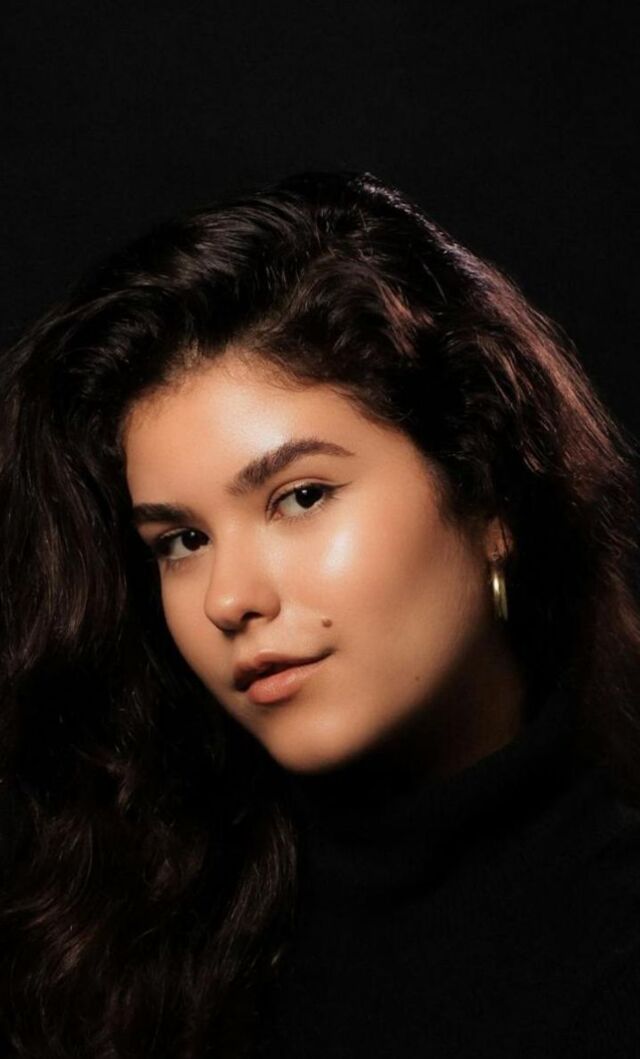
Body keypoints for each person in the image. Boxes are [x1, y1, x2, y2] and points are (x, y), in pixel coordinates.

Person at [1, 170, 640, 1059]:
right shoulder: (127, 925)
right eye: (181, 540)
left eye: (300, 496)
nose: (228, 599)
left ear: (487, 488)